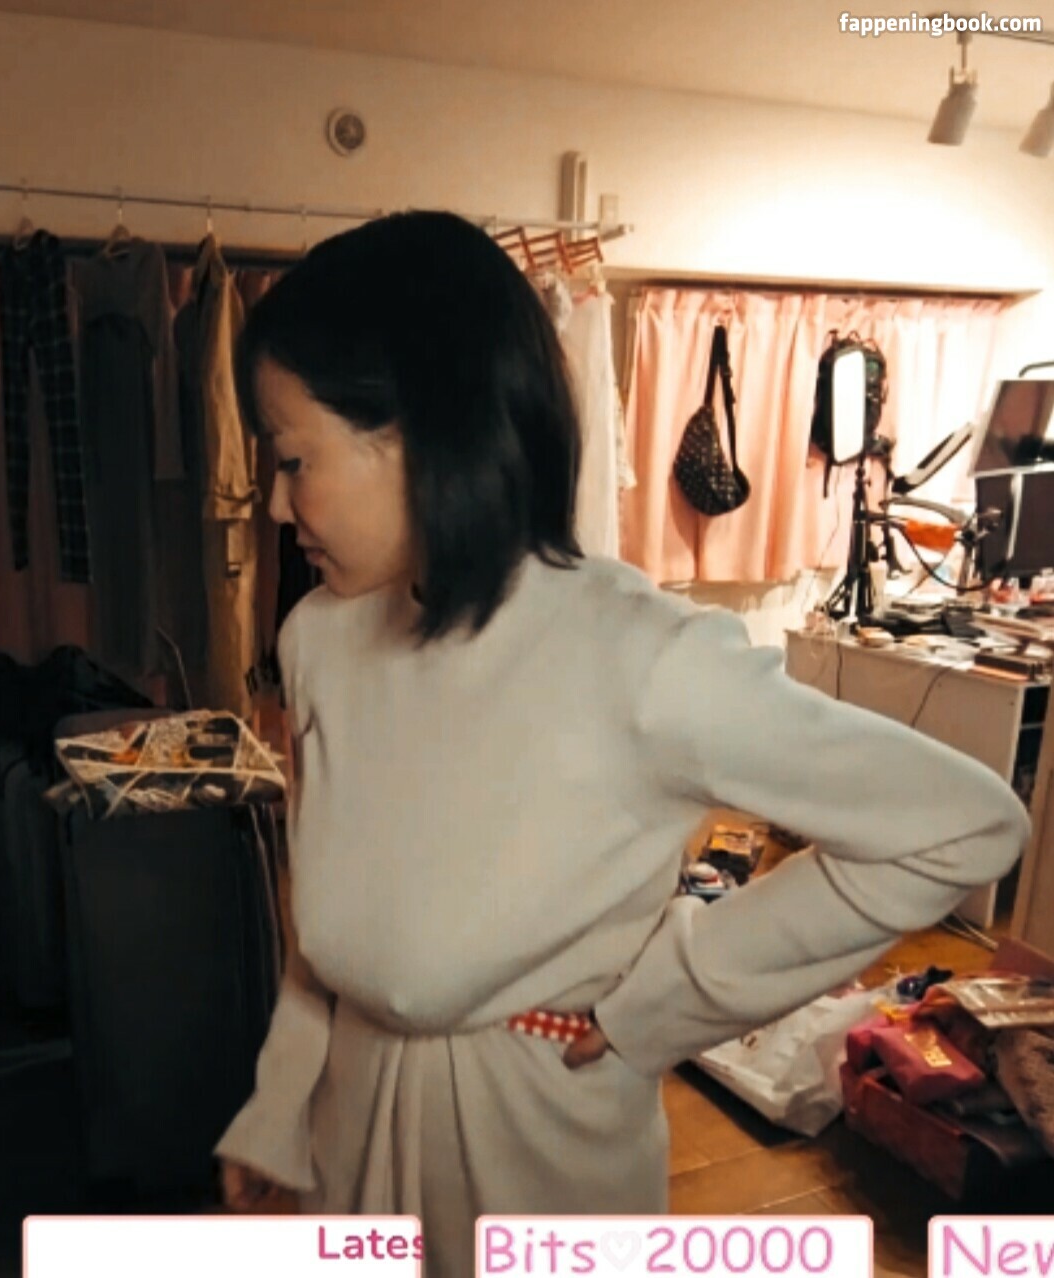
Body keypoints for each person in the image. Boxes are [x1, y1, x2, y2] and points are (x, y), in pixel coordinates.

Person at [215, 211, 1030, 1275]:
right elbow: (327, 932)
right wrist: (278, 1109)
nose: (279, 503)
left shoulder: (636, 655)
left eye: (293, 459)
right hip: (352, 1138)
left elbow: (959, 825)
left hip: (537, 1146)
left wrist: (669, 997)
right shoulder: (320, 638)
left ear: (425, 432)